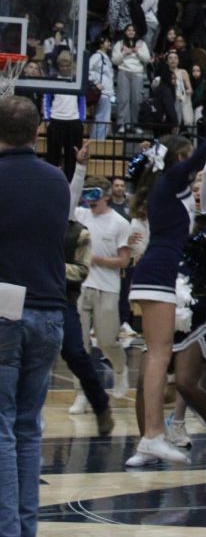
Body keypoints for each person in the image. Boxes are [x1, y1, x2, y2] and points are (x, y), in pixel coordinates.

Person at [125, 91, 206, 466]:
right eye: (186, 158)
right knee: (159, 355)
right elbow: (204, 153)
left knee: (156, 356)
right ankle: (151, 436)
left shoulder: (165, 188)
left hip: (155, 271)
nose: (190, 165)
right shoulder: (174, 179)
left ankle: (151, 437)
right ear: (178, 159)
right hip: (161, 272)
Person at [0, 96, 69, 537]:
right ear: (39, 129)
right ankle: (26, 527)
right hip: (49, 312)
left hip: (4, 310)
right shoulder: (57, 180)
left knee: (3, 427)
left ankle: (7, 528)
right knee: (29, 427)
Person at [65, 168, 133, 407]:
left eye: (94, 194)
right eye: (87, 195)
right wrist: (80, 169)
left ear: (106, 196)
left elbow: (124, 261)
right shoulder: (82, 215)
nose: (89, 200)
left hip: (108, 287)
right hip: (81, 286)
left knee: (106, 340)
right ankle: (82, 393)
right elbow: (71, 198)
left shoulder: (120, 223)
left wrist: (95, 260)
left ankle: (120, 369)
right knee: (79, 345)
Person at [112, 22, 151, 132]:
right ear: (125, 32)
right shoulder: (119, 44)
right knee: (123, 99)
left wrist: (137, 52)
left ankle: (135, 124)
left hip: (137, 73)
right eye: (129, 30)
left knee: (136, 100)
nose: (131, 32)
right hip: (123, 71)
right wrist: (124, 53)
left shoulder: (141, 44)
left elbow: (147, 59)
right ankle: (122, 124)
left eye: (133, 30)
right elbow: (115, 60)